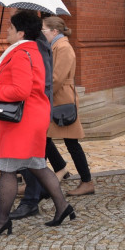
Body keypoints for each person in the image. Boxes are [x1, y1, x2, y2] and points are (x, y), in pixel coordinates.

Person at [0, 11, 74, 238]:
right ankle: (63, 207)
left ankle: (1, 221)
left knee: (7, 169)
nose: (7, 32)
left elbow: (20, 90)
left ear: (20, 32)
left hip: (23, 121)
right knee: (36, 165)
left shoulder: (22, 53)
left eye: (10, 28)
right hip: (31, 118)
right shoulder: (28, 50)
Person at [43, 16, 95, 196]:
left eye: (44, 30)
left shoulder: (63, 47)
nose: (43, 33)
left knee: (71, 143)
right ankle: (56, 172)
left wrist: (42, 93)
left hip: (62, 101)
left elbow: (57, 78)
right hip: (57, 99)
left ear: (54, 31)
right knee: (45, 138)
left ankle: (86, 181)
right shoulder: (56, 46)